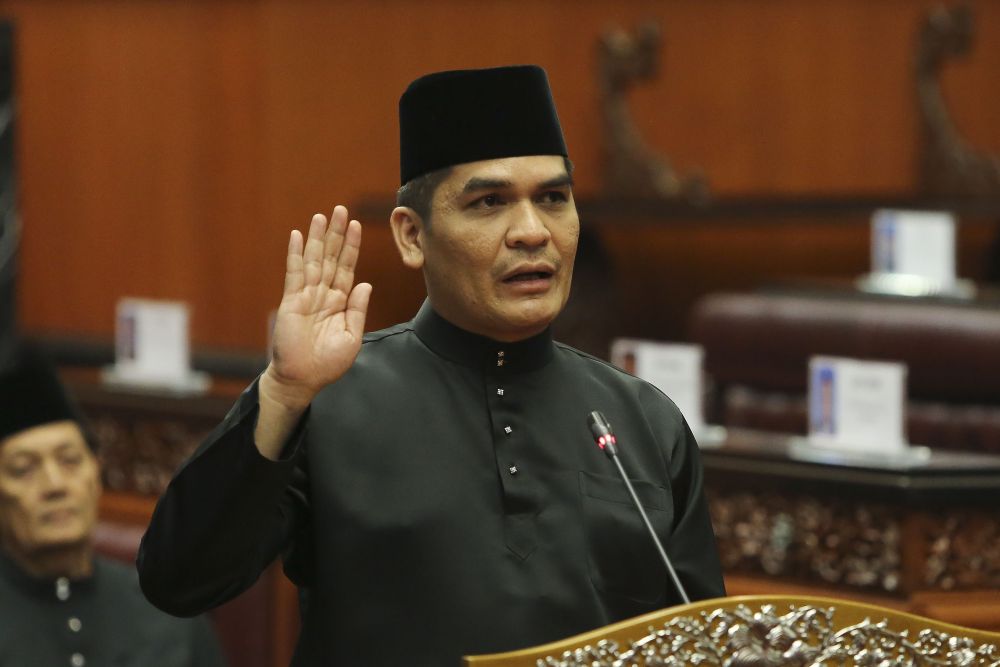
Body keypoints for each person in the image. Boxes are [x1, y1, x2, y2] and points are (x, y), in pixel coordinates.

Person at [138, 65, 725, 665]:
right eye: (490, 202)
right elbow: (179, 580)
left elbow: (702, 644)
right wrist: (284, 393)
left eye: (553, 198)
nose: (532, 231)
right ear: (412, 236)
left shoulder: (646, 420)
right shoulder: (328, 397)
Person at [0, 344, 226, 667]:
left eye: (69, 461)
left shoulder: (166, 606)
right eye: (24, 469)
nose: (54, 485)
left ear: (96, 473)